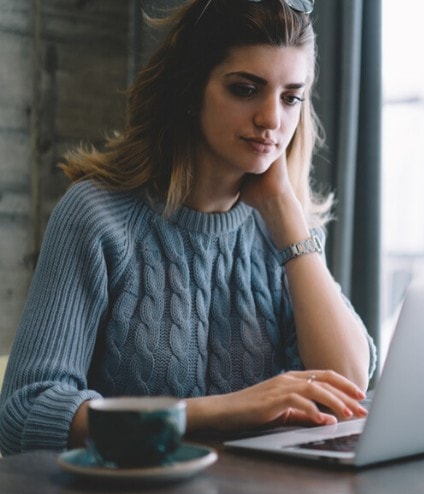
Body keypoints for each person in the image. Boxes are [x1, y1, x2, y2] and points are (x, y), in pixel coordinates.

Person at [0, 0, 375, 456]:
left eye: (291, 96)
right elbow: (26, 411)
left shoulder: (284, 229)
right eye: (245, 89)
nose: (272, 120)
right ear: (189, 89)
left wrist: (288, 218)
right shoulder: (96, 216)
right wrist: (226, 410)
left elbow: (351, 386)